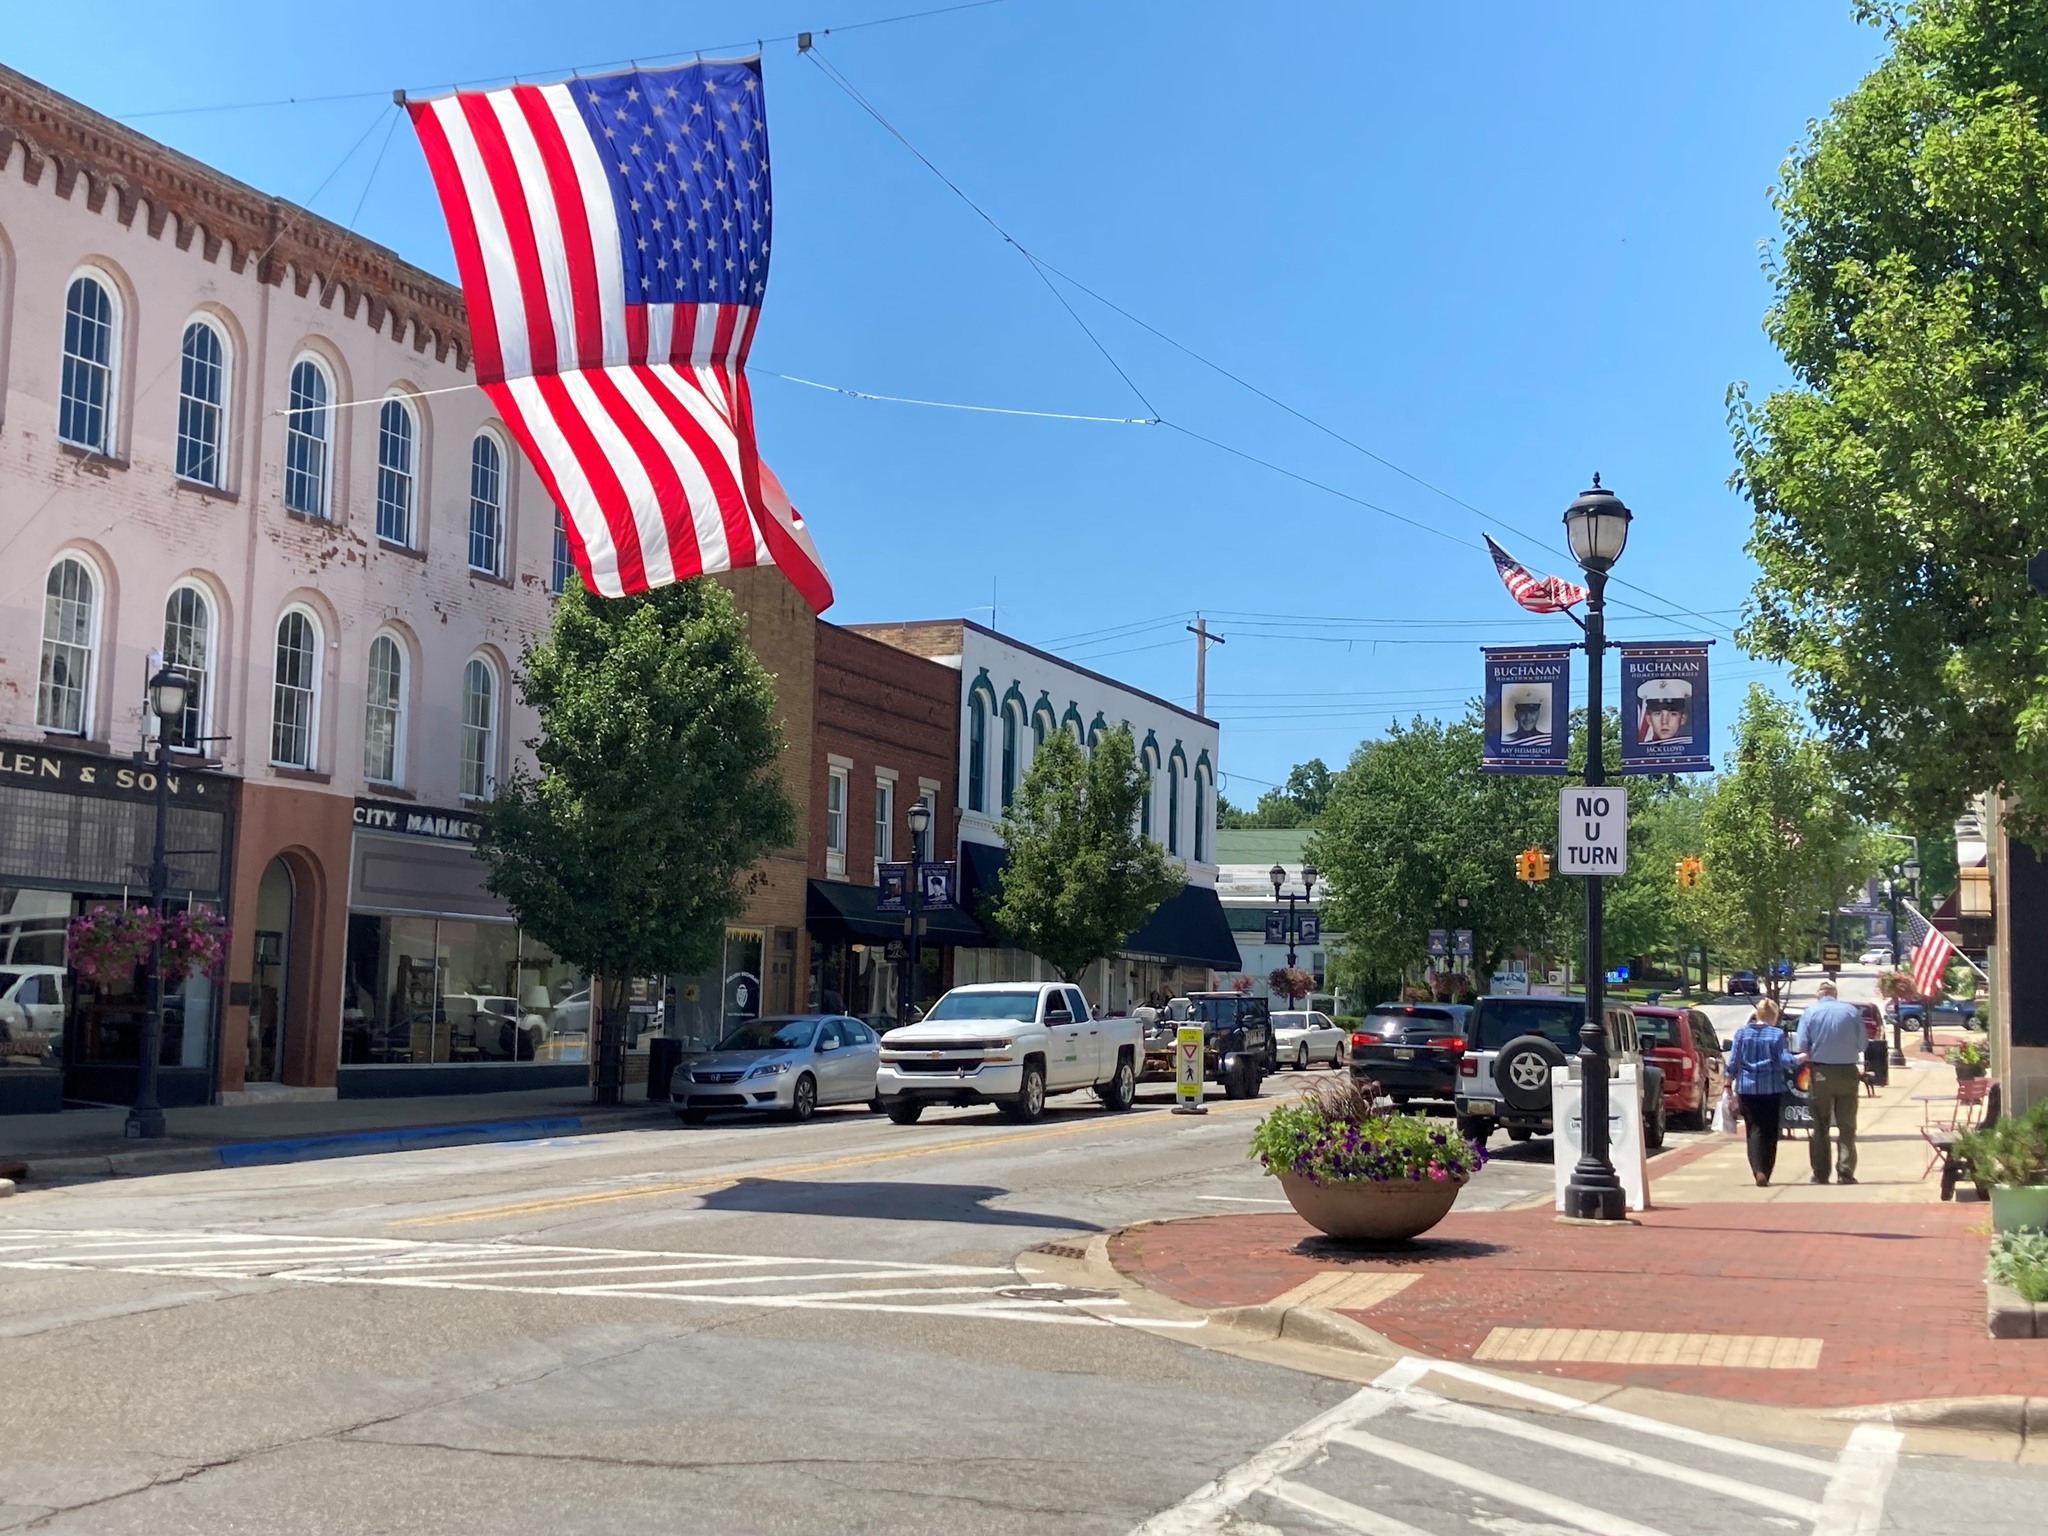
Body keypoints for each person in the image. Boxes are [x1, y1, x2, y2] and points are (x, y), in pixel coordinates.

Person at [1794, 978, 1866, 1184]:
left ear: (1819, 994)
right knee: (1847, 1125)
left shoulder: (1810, 1012)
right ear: (1834, 994)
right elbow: (1862, 1044)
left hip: (1820, 1071)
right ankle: (1845, 1171)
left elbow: (1802, 1045)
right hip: (1847, 1071)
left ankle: (1820, 1173)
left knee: (1820, 1124)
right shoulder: (1851, 1012)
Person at [1727, 998, 1802, 1186]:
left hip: (1747, 1088)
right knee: (1770, 1130)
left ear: (1757, 1014)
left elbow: (1733, 1062)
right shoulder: (1776, 1035)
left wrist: (1727, 1084)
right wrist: (1801, 1057)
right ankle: (1766, 1171)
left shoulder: (1741, 1034)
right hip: (1771, 1088)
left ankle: (1757, 1169)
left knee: (1753, 1130)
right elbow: (1785, 1060)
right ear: (1773, 1016)